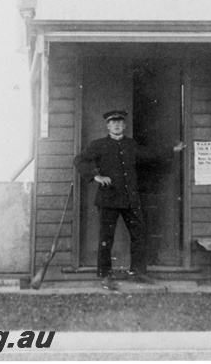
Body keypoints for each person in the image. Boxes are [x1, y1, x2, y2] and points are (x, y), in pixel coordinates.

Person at [73, 109, 185, 290]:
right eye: (113, 122)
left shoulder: (131, 145)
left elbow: (151, 155)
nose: (116, 125)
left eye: (120, 122)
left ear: (124, 125)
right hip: (108, 199)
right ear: (107, 125)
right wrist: (96, 176)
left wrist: (171, 150)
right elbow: (79, 160)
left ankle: (138, 273)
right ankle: (105, 276)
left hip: (130, 200)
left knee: (139, 235)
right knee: (106, 238)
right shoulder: (98, 145)